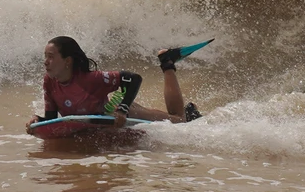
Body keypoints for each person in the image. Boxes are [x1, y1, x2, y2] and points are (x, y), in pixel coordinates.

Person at [25, 35, 201, 134]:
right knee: (176, 119)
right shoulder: (49, 82)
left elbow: (133, 79)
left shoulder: (91, 79)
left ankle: (167, 63)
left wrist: (123, 109)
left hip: (118, 109)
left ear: (67, 61)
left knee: (179, 122)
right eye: (45, 57)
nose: (45, 62)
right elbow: (52, 118)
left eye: (51, 57)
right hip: (104, 116)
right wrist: (38, 121)